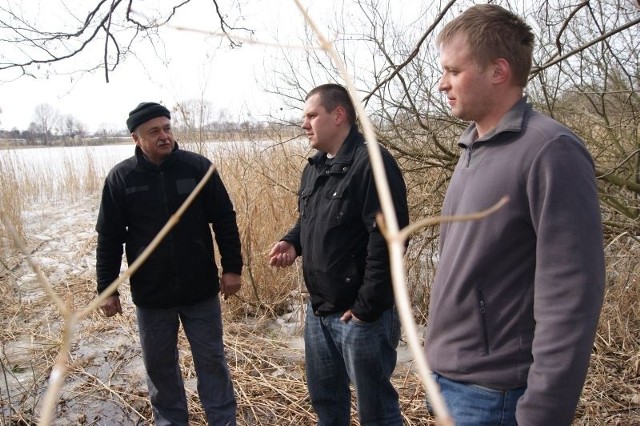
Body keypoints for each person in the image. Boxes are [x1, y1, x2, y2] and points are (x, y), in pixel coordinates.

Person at [423, 4, 606, 425]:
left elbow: (572, 294)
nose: (441, 83)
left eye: (453, 71)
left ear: (498, 71)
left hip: (498, 397)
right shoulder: (472, 146)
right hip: (450, 383)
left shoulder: (550, 150)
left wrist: (543, 411)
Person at [268, 83, 409, 425]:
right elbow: (310, 220)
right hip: (319, 311)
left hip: (359, 317)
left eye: (312, 115)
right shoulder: (315, 167)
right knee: (327, 403)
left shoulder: (372, 163)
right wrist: (292, 242)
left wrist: (366, 308)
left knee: (375, 410)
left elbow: (389, 241)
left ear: (339, 115)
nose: (304, 124)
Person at [95, 102, 243, 426]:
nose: (165, 136)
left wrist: (232, 267)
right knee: (160, 370)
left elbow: (224, 219)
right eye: (154, 131)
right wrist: (107, 289)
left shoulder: (198, 168)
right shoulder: (121, 178)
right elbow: (108, 238)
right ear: (137, 138)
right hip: (152, 295)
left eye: (167, 128)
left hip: (200, 290)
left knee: (212, 363)